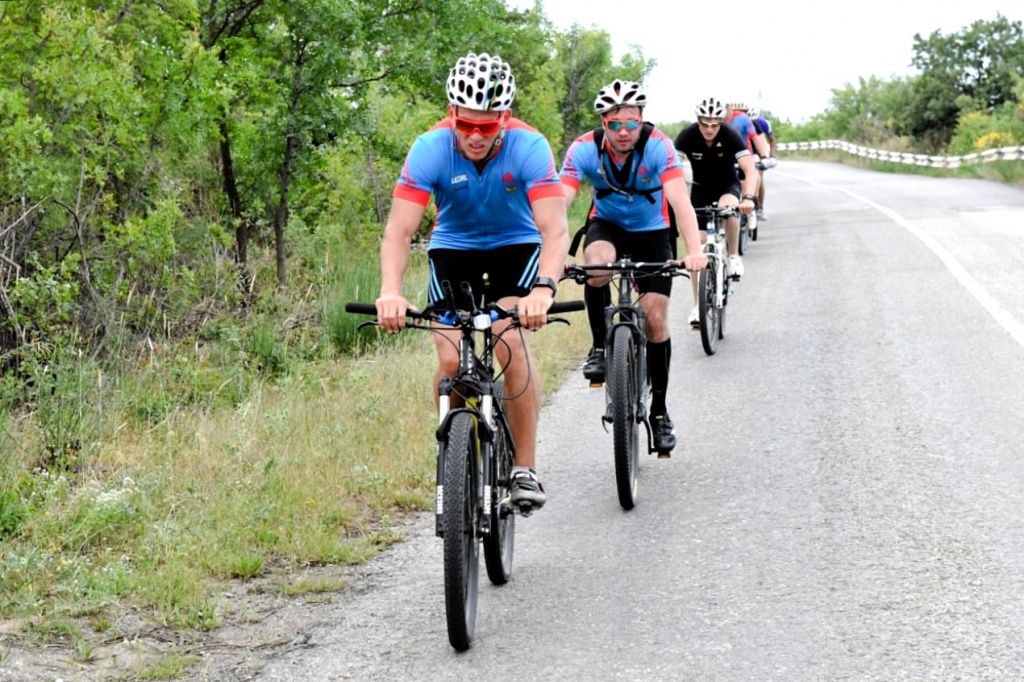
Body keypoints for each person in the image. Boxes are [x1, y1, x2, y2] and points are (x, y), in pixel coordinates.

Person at [375, 52, 569, 511]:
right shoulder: (429, 148)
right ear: (452, 115)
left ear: (504, 118)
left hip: (514, 248)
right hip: (453, 250)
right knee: (449, 361)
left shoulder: (529, 146)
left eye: (487, 126)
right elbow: (400, 232)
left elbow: (554, 230)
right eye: (466, 125)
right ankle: (455, 456)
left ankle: (524, 468)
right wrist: (390, 290)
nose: (475, 136)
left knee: (507, 338)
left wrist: (543, 289)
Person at [559, 79, 707, 455]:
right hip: (606, 224)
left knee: (655, 316)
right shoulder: (584, 149)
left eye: (631, 123)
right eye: (615, 124)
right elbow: (557, 206)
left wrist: (693, 250)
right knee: (595, 265)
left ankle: (659, 411)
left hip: (652, 230)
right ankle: (598, 346)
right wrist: (552, 254)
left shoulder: (658, 146)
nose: (624, 132)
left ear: (642, 120)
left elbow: (680, 202)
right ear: (603, 123)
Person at [674, 97, 760, 328]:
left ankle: (733, 256)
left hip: (726, 186)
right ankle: (697, 306)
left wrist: (749, 197)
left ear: (721, 122)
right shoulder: (687, 136)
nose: (710, 129)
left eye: (715, 124)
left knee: (727, 209)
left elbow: (750, 170)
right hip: (699, 190)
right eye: (705, 124)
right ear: (698, 121)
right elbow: (671, 170)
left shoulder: (730, 135)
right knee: (697, 248)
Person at [749, 108, 777, 220]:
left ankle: (760, 207)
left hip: (757, 149)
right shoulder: (736, 121)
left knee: (758, 176)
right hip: (743, 147)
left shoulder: (762, 123)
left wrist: (771, 156)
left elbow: (771, 139)